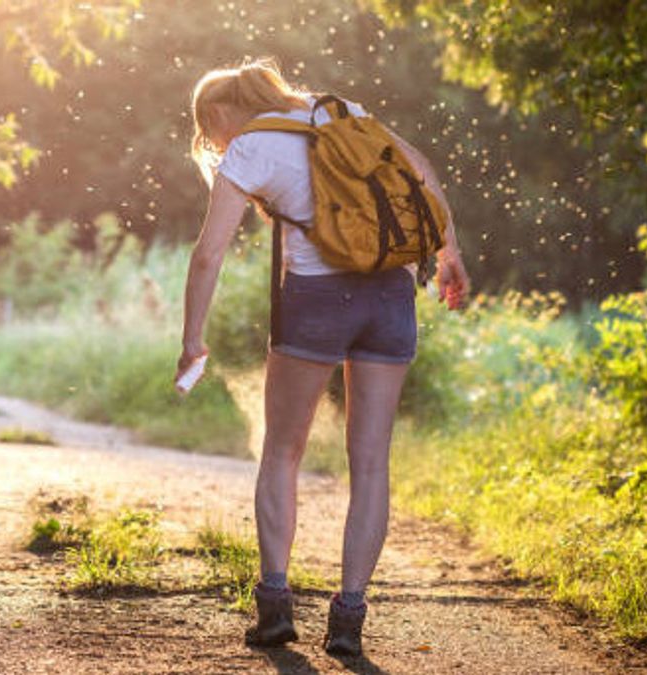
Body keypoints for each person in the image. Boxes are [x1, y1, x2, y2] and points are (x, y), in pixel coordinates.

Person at [176, 59, 470, 657]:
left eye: (211, 132)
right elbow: (423, 171)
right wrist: (448, 255)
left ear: (219, 116)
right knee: (370, 464)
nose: (215, 144)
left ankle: (276, 608)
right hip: (390, 294)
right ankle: (348, 620)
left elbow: (209, 255)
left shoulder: (252, 147)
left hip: (315, 299)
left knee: (283, 450)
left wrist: (192, 338)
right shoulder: (343, 113)